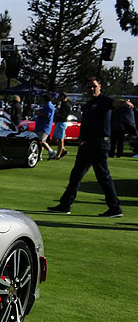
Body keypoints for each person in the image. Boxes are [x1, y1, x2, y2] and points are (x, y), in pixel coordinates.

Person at [48, 77, 128, 217]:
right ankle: (65, 205)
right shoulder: (89, 104)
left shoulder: (104, 100)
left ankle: (115, 208)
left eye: (94, 86)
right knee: (76, 175)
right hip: (87, 144)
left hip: (99, 144)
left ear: (100, 86)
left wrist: (125, 103)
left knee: (103, 176)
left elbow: (116, 103)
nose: (91, 89)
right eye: (89, 87)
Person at [34, 94, 57, 159]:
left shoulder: (49, 106)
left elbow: (47, 115)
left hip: (44, 126)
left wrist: (38, 113)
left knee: (41, 141)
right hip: (41, 126)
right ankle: (39, 155)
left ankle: (51, 151)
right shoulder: (47, 105)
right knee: (41, 141)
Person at [53, 92, 71, 159]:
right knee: (55, 138)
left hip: (62, 122)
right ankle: (63, 150)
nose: (59, 98)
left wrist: (57, 113)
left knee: (60, 139)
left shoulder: (66, 105)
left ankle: (58, 155)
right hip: (59, 122)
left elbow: (63, 115)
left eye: (60, 96)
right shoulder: (62, 104)